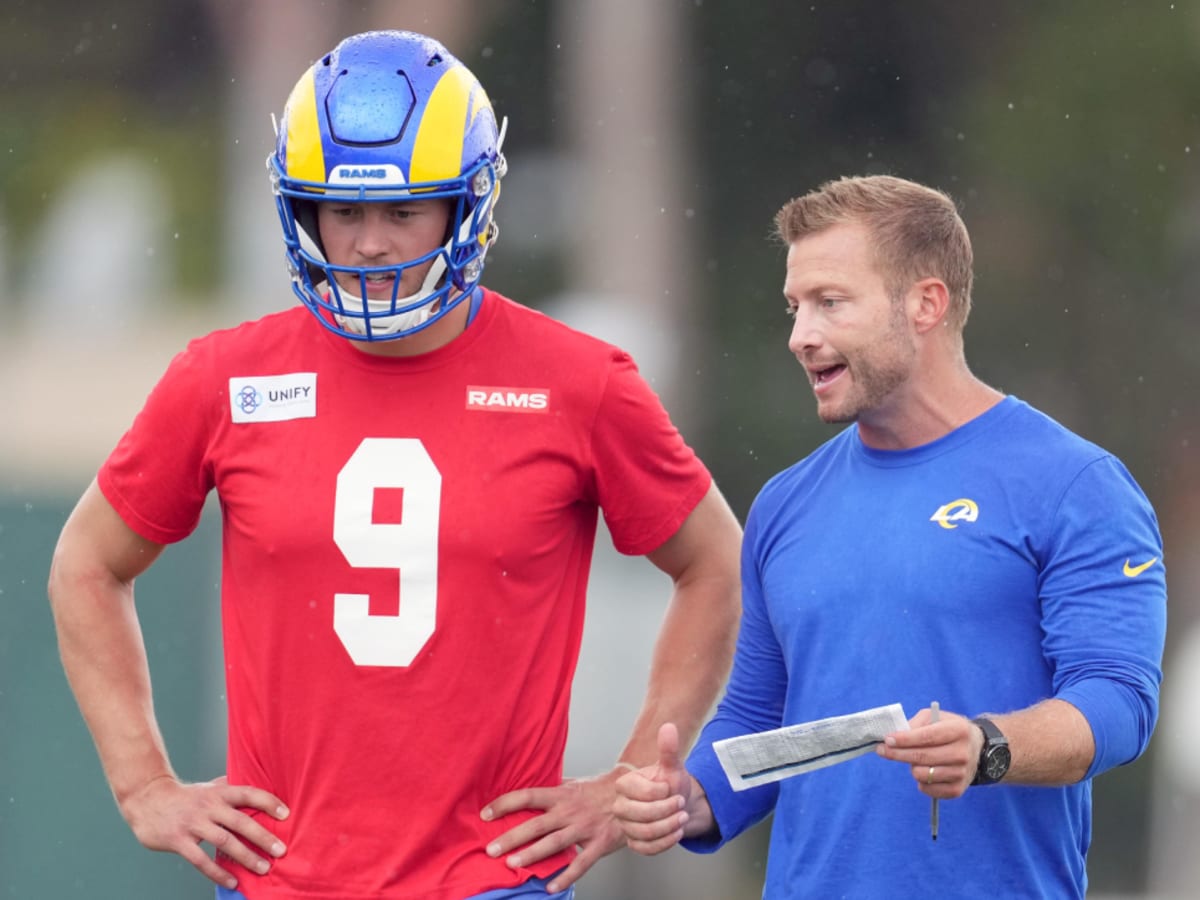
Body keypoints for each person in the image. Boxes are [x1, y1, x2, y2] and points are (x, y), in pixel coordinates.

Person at [47, 30, 742, 900]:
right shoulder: (223, 378)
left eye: (404, 210)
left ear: (468, 205)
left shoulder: (578, 382)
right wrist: (144, 783)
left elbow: (714, 561)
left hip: (490, 882)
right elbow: (86, 564)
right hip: (280, 882)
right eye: (343, 211)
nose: (372, 243)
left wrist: (633, 777)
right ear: (304, 212)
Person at [613, 174, 1167, 898]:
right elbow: (768, 723)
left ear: (926, 304)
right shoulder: (785, 504)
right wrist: (693, 798)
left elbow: (1119, 702)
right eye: (795, 306)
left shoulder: (1075, 485)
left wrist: (987, 746)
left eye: (830, 303)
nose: (799, 334)